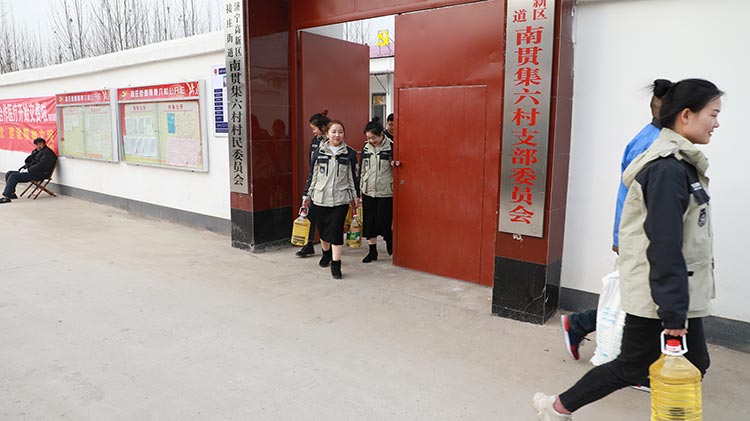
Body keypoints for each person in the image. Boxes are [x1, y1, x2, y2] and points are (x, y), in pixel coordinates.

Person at [534, 78, 722, 420]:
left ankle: (559, 406)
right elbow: (664, 244)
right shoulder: (667, 168)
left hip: (679, 291)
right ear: (686, 115)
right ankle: (557, 407)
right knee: (632, 365)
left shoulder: (682, 164)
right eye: (713, 114)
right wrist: (672, 311)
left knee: (694, 362)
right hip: (660, 292)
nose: (717, 123)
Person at [561, 79, 673, 361]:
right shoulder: (653, 144)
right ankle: (588, 332)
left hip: (635, 235)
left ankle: (581, 325)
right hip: (637, 236)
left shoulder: (651, 137)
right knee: (630, 300)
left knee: (630, 299)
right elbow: (641, 200)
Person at [302, 120, 360, 279]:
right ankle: (326, 253)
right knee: (323, 230)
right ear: (327, 134)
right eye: (333, 132)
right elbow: (312, 176)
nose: (337, 135)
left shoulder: (349, 153)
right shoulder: (318, 152)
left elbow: (353, 178)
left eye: (340, 132)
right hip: (320, 198)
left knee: (336, 231)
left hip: (340, 199)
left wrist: (356, 197)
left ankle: (336, 264)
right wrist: (306, 195)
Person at [296, 111, 332, 257]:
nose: (313, 131)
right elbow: (312, 165)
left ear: (323, 127)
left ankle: (328, 249)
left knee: (327, 219)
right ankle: (308, 244)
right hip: (315, 184)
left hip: (329, 186)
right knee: (309, 213)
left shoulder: (333, 141)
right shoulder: (315, 141)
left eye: (314, 128)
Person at [359, 117, 394, 262]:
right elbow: (362, 169)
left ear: (381, 134)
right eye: (368, 138)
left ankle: (390, 240)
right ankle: (372, 251)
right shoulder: (366, 148)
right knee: (369, 222)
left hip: (385, 190)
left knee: (384, 220)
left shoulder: (392, 147)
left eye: (373, 138)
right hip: (368, 190)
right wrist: (360, 188)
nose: (371, 140)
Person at [1, 137, 57, 204]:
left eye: (40, 144)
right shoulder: (37, 151)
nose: (38, 146)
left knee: (13, 176)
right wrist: (23, 168)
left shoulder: (48, 153)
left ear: (44, 144)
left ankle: (6, 197)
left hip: (40, 174)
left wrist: (28, 170)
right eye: (37, 144)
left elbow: (41, 165)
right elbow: (29, 162)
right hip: (32, 171)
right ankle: (11, 194)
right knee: (9, 173)